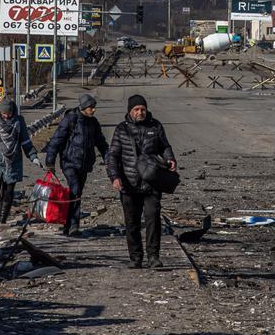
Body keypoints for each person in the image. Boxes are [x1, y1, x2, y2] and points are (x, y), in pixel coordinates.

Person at [106, 94, 176, 269]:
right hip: (128, 184)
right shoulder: (122, 129)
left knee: (153, 218)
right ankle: (135, 257)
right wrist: (115, 177)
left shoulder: (155, 126)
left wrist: (170, 158)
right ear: (130, 111)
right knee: (132, 222)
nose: (140, 112)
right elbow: (112, 156)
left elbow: (165, 146)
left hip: (152, 182)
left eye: (142, 109)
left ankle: (153, 257)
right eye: (136, 109)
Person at [43, 94, 109, 237]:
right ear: (84, 107)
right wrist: (50, 161)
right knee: (75, 189)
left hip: (85, 164)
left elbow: (101, 143)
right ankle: (74, 225)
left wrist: (108, 158)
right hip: (69, 162)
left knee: (76, 193)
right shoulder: (71, 120)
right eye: (91, 107)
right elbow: (56, 140)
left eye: (94, 107)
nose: (93, 110)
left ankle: (67, 225)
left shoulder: (93, 123)